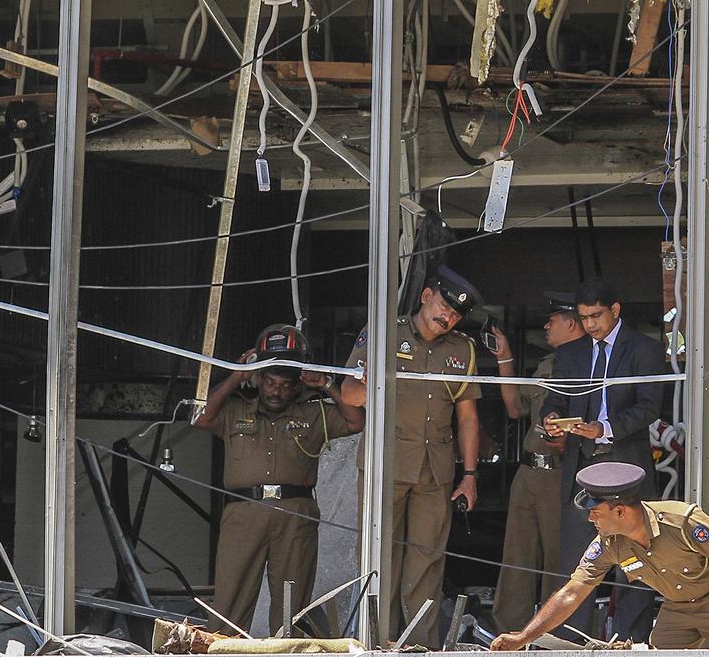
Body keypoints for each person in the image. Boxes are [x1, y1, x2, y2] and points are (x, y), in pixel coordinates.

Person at [490, 462, 709, 650]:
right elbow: (571, 593)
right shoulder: (609, 543)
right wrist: (523, 637)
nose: (591, 519)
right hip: (677, 607)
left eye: (596, 512)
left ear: (620, 510)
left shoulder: (681, 521)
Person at [342, 266, 481, 648]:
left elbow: (467, 417)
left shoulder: (462, 349)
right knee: (379, 557)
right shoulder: (384, 333)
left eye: (455, 314)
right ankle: (376, 642)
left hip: (435, 472)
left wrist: (469, 474)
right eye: (444, 306)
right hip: (384, 468)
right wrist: (368, 386)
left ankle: (421, 646)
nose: (447, 317)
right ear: (425, 295)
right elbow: (348, 394)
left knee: (427, 561)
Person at [193, 324, 364, 635]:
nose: (276, 390)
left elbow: (355, 421)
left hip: (295, 514)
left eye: (285, 384)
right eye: (269, 382)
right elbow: (201, 417)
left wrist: (326, 384)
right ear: (259, 380)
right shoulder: (235, 410)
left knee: (291, 608)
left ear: (296, 385)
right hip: (244, 512)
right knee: (230, 602)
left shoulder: (312, 413)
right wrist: (236, 375)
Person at [540, 276, 664, 642]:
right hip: (582, 467)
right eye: (584, 317)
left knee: (635, 562)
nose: (591, 324)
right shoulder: (571, 353)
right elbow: (555, 399)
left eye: (597, 315)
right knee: (577, 564)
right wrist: (550, 422)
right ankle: (569, 642)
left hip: (626, 463)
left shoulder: (644, 349)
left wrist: (605, 427)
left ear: (615, 310)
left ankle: (632, 642)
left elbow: (649, 407)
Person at [491, 293, 586, 633]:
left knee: (557, 560)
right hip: (529, 471)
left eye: (553, 320)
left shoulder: (587, 363)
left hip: (560, 474)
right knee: (517, 555)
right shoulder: (548, 363)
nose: (546, 325)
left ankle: (552, 634)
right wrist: (505, 358)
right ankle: (509, 631)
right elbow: (516, 407)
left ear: (571, 323)